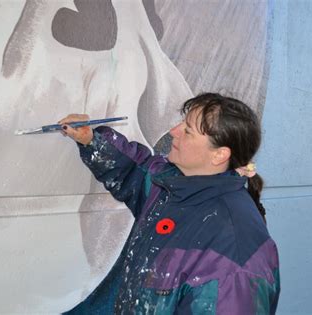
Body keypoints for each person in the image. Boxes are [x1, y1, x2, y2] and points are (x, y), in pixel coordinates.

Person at [59, 93, 280, 314]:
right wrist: (92, 140)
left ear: (219, 155)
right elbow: (135, 170)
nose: (174, 131)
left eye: (188, 131)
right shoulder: (174, 186)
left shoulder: (235, 257)